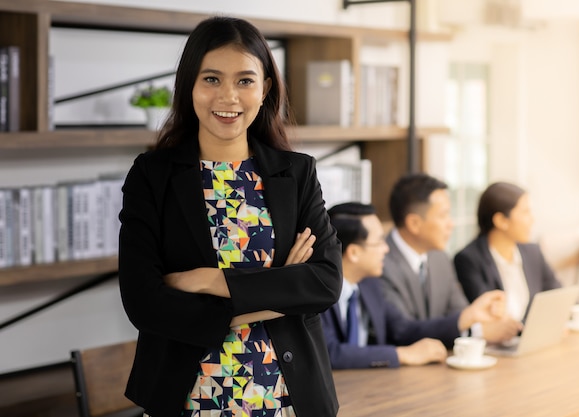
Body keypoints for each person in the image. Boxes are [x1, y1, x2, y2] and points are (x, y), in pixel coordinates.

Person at [118, 16, 343, 417]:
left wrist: (209, 279)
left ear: (265, 88)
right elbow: (144, 303)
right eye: (211, 80)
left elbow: (324, 282)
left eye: (244, 80)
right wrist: (278, 295)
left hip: (287, 399)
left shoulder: (296, 172)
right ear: (189, 85)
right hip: (190, 399)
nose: (228, 97)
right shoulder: (152, 176)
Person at [321, 202, 509, 369]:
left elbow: (403, 330)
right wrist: (402, 354)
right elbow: (329, 353)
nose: (386, 249)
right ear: (353, 252)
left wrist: (466, 318)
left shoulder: (369, 285)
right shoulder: (316, 293)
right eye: (378, 242)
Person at [380, 173, 522, 343]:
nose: (451, 224)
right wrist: (469, 319)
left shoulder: (439, 257)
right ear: (414, 224)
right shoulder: (379, 264)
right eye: (443, 215)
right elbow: (402, 332)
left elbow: (457, 311)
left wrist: (479, 322)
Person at [454, 181, 562, 322]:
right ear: (501, 221)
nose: (532, 220)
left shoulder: (533, 252)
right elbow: (489, 315)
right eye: (525, 212)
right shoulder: (468, 259)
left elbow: (558, 293)